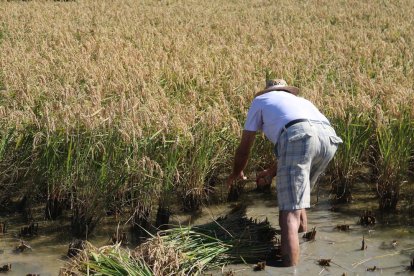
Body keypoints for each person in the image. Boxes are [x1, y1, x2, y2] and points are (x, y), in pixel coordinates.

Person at [226, 79, 342, 266]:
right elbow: (304, 137)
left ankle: (290, 268)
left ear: (266, 91)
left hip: (300, 135)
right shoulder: (302, 101)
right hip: (329, 139)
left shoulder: (260, 101)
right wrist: (272, 172)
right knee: (299, 202)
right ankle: (303, 246)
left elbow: (245, 146)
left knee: (288, 213)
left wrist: (236, 172)